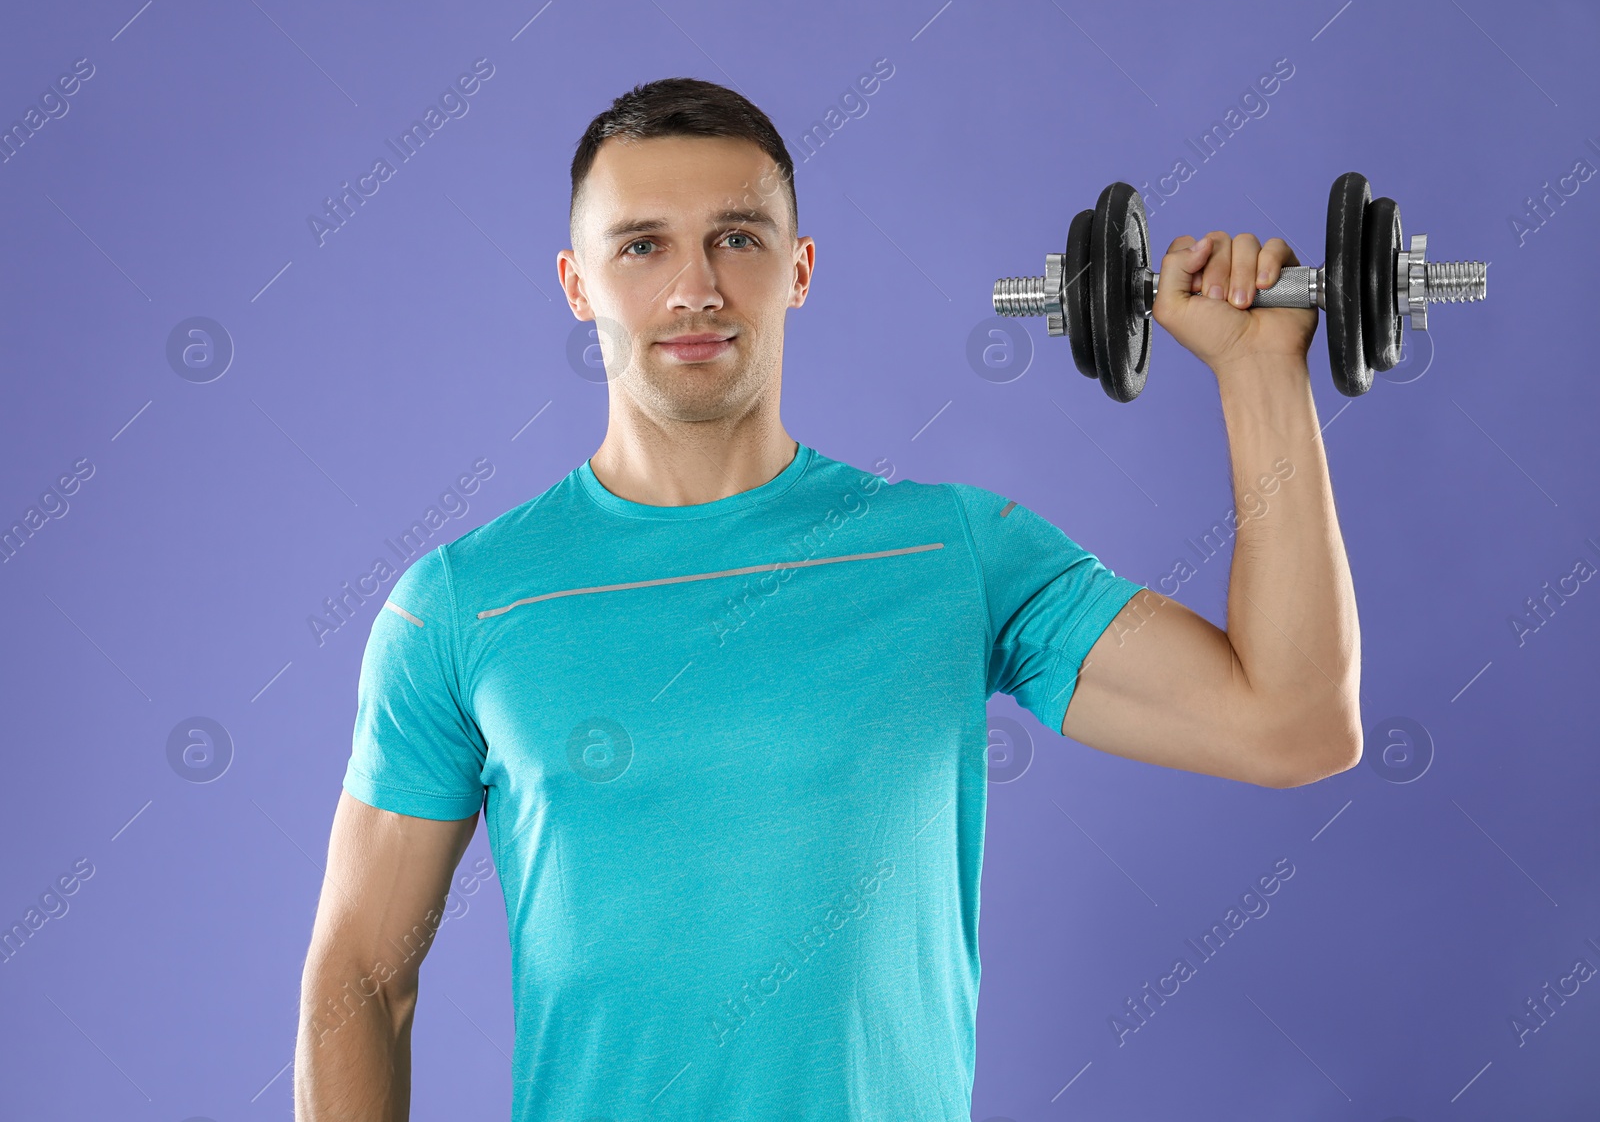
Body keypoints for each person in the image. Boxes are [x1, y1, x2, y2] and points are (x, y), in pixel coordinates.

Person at [293, 76, 1361, 1119]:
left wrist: (1258, 375)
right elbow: (358, 982)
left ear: (798, 269)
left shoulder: (950, 554)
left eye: (738, 238)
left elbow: (1292, 723)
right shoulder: (462, 605)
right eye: (641, 244)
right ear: (577, 283)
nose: (695, 287)